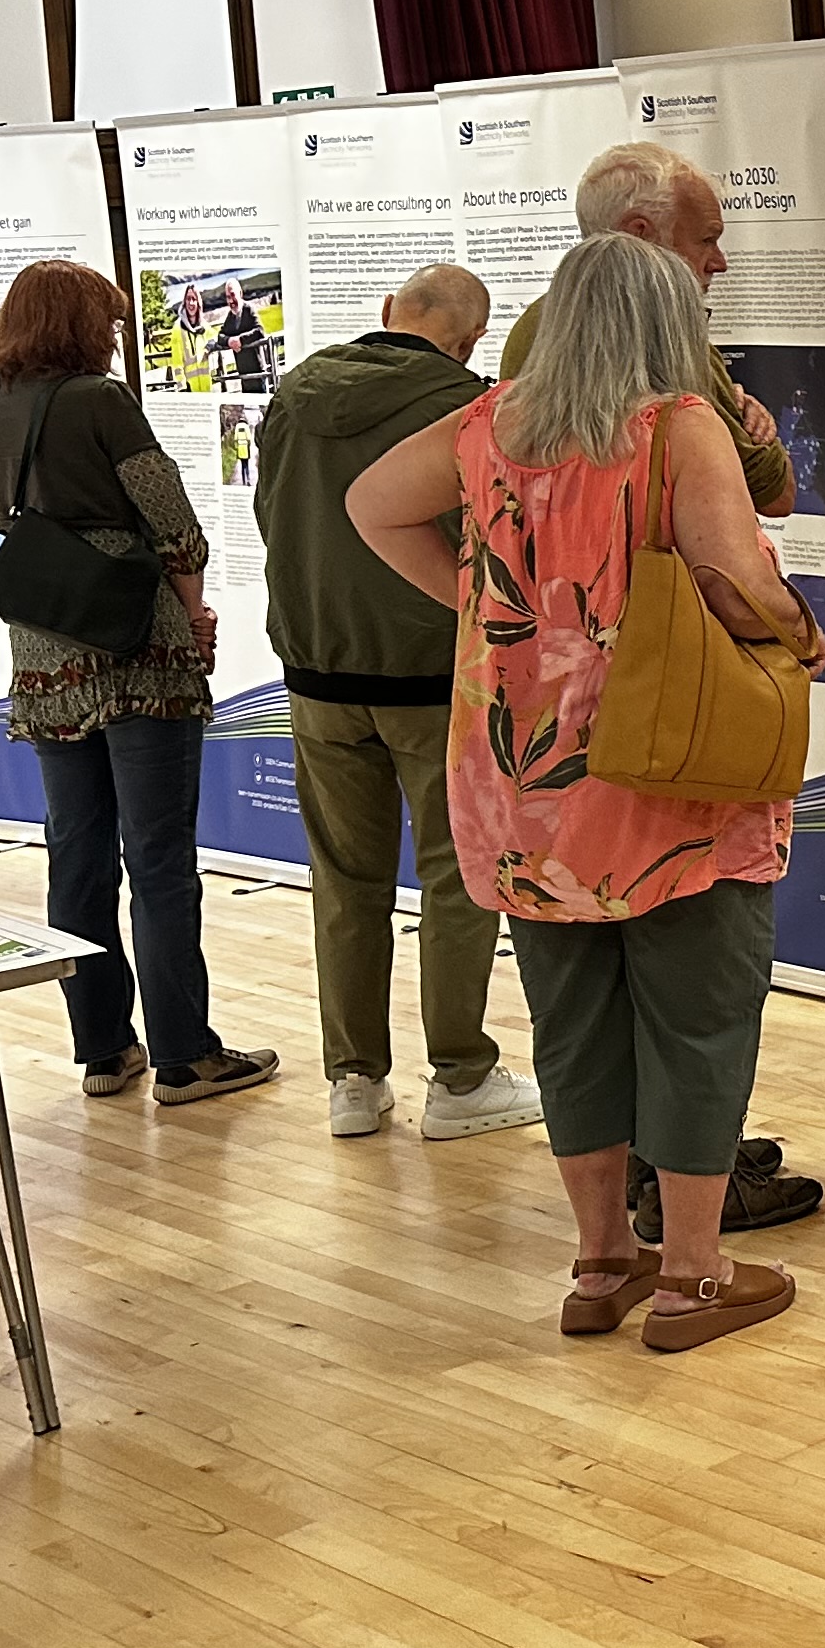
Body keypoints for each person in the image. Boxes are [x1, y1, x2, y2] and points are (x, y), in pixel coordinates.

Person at [347, 232, 825, 1351]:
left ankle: (603, 1262)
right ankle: (696, 1277)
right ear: (669, 325)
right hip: (668, 771)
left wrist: (486, 602)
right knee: (699, 1020)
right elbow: (740, 578)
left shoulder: (490, 424)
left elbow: (372, 504)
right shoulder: (677, 428)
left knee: (571, 1027)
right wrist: (802, 639)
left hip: (523, 776)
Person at [0, 259, 282, 1109]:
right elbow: (170, 517)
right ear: (76, 327)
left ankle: (104, 1049)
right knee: (160, 858)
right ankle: (185, 1054)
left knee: (76, 854)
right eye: (105, 323)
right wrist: (193, 612)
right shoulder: (99, 403)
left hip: (43, 653)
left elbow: (16, 523)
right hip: (138, 646)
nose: (114, 338)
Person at [256, 262, 542, 1145]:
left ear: (387, 313)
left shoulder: (295, 393)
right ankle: (459, 1075)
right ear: (467, 342)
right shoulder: (469, 406)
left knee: (344, 881)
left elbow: (271, 516)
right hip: (433, 678)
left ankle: (353, 1079)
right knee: (457, 878)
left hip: (316, 679)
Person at [496, 143, 792, 515]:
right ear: (640, 233)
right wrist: (760, 432)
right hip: (651, 570)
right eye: (706, 239)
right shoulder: (674, 340)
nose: (719, 262)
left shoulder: (530, 329)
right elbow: (776, 497)